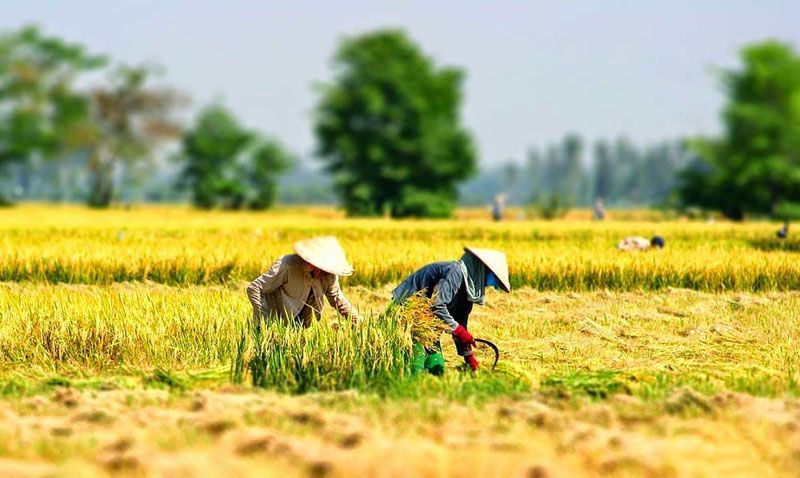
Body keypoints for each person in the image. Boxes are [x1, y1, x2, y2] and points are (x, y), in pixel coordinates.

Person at [391, 247, 511, 374]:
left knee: (437, 366)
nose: (490, 284)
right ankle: (410, 386)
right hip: (410, 315)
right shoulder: (455, 272)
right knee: (417, 362)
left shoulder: (468, 290)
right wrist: (459, 331)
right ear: (480, 270)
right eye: (491, 278)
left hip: (428, 324)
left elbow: (460, 322)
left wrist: (468, 355)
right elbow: (437, 305)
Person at [246, 236, 359, 329]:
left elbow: (337, 299)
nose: (324, 273)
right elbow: (254, 288)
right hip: (274, 322)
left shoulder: (329, 275)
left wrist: (358, 323)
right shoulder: (286, 266)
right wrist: (265, 318)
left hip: (301, 326)